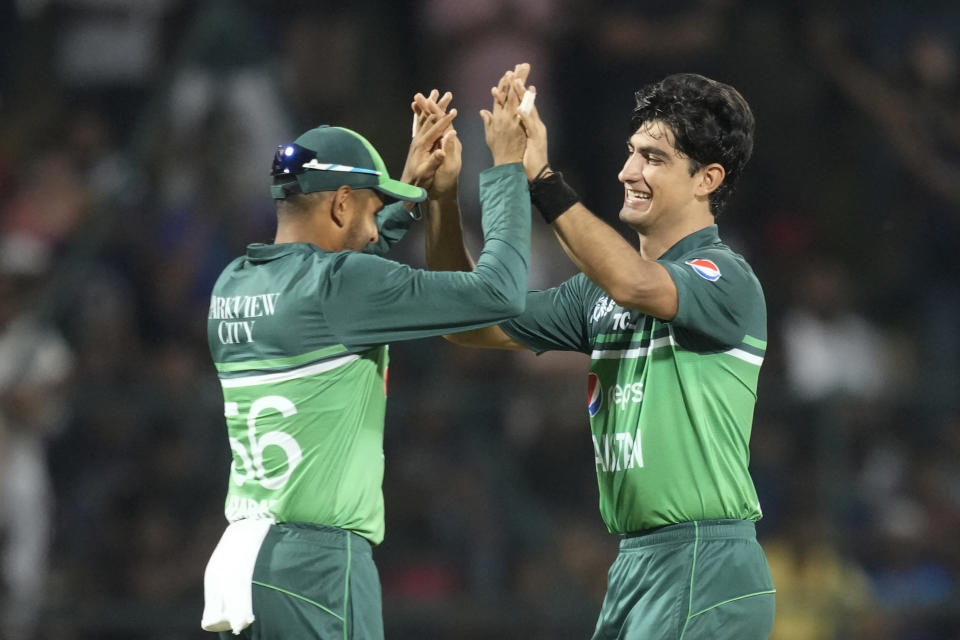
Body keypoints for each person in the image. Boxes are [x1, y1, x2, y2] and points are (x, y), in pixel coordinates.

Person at [421, 66, 776, 639]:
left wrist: (539, 175)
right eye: (633, 153)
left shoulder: (724, 277)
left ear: (707, 178)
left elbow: (634, 284)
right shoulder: (595, 294)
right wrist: (441, 202)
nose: (628, 171)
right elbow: (469, 326)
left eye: (654, 158)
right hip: (638, 564)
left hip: (703, 562)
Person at [200, 82, 530, 639]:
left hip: (242, 566)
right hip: (317, 566)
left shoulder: (234, 283)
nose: (378, 228)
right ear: (340, 202)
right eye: (371, 209)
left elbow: (339, 277)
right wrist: (507, 171)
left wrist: (406, 194)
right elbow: (500, 293)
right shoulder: (341, 289)